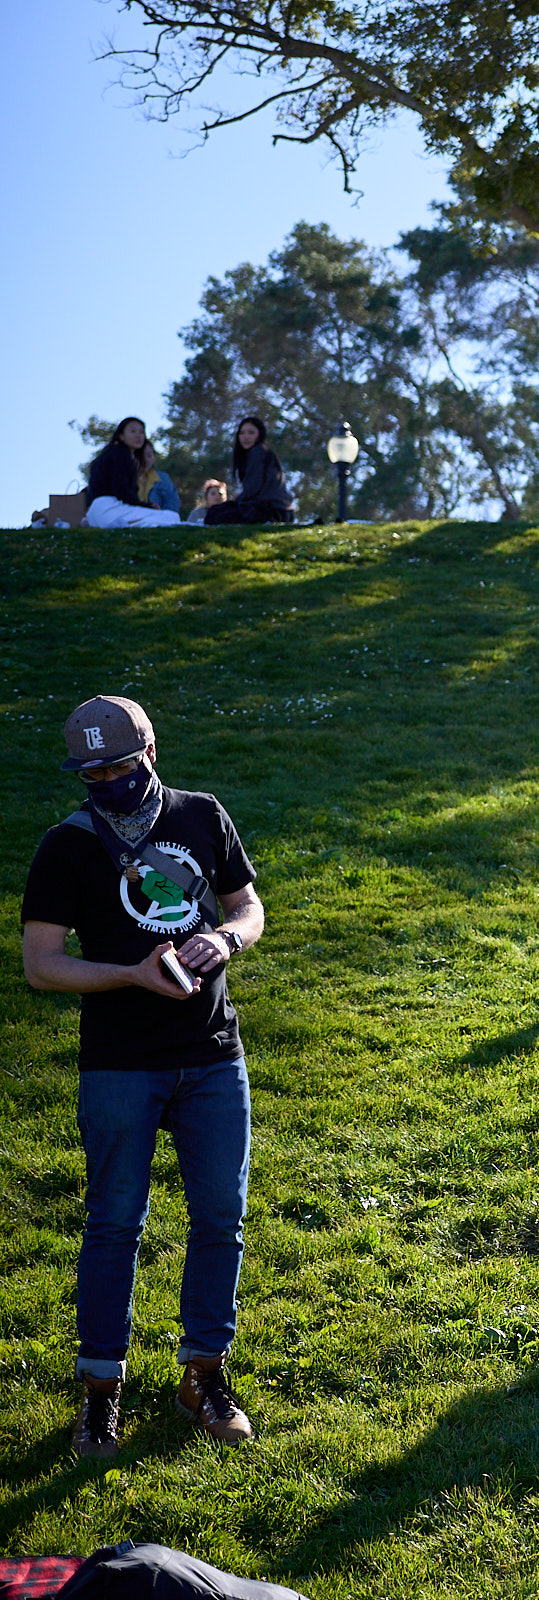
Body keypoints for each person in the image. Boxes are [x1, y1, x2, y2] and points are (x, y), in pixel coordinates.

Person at [22, 696, 268, 1459]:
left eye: (120, 767)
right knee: (113, 1224)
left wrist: (225, 941)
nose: (106, 782)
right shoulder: (65, 845)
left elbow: (249, 906)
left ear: (152, 753)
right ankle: (100, 1391)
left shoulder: (201, 816)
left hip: (212, 1054)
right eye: (91, 773)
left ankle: (204, 1375)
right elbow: (41, 965)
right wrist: (130, 974)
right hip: (121, 1064)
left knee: (220, 1218)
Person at [82, 419, 184, 529]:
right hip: (108, 509)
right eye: (133, 431)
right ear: (121, 436)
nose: (138, 436)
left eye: (141, 432)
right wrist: (147, 506)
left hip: (96, 512)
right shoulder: (120, 454)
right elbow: (122, 492)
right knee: (171, 517)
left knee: (161, 519)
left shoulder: (112, 454)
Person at [204, 418, 295, 526]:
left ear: (259, 434)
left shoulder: (259, 451)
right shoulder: (254, 453)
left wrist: (236, 503)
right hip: (275, 509)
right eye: (242, 433)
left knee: (218, 513)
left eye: (251, 432)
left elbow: (253, 488)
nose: (246, 437)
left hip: (273, 510)